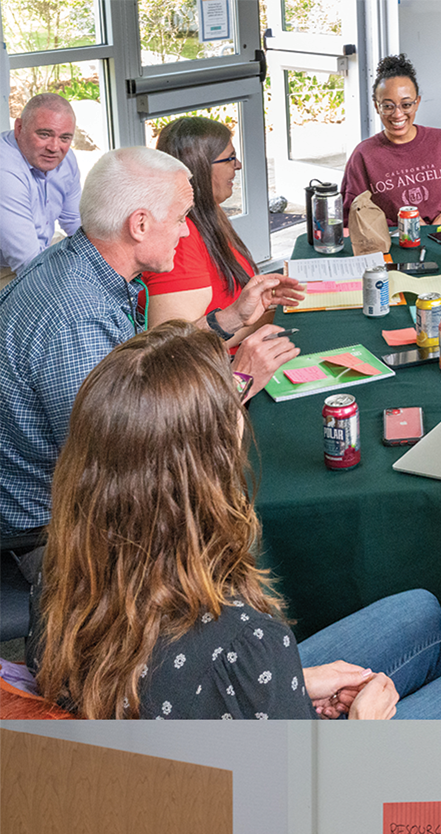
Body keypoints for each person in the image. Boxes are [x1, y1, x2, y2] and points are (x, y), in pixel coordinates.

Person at [30, 323, 441, 719]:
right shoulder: (246, 638)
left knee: (420, 608)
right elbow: (288, 815)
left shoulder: (58, 569)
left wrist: (294, 682)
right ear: (208, 463)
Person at [0, 144, 298, 573]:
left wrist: (229, 319)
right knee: (239, 527)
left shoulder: (77, 263)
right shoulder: (77, 323)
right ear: (139, 224)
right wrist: (239, 381)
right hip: (62, 532)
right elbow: (139, 469)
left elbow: (143, 370)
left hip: (88, 489)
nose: (184, 232)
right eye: (180, 218)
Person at [142, 114, 301, 400]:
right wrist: (260, 318)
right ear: (201, 168)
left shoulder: (209, 214)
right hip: (223, 387)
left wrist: (265, 309)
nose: (237, 165)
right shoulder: (181, 239)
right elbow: (178, 356)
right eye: (230, 158)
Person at [342, 54, 441, 228]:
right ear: (376, 106)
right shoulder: (363, 156)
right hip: (393, 245)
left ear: (417, 102)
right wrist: (401, 225)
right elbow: (351, 216)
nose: (398, 114)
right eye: (388, 106)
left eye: (406, 105)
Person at [0, 94, 81, 277]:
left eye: (65, 138)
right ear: (19, 128)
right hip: (9, 267)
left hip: (38, 250)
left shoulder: (66, 159)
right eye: (45, 134)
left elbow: (76, 222)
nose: (54, 147)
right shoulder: (5, 171)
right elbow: (28, 265)